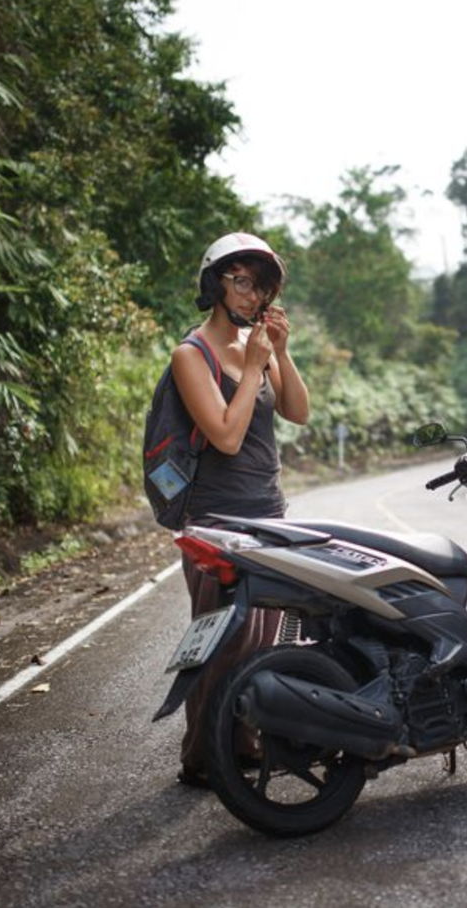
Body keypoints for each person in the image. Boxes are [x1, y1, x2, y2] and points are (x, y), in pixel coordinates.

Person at [171, 231, 309, 787]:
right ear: (216, 283)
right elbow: (225, 437)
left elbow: (298, 412)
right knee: (221, 636)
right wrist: (253, 367)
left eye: (262, 286)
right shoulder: (192, 354)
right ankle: (203, 754)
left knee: (266, 634)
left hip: (267, 511)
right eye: (243, 282)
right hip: (216, 521)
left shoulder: (259, 349)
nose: (253, 297)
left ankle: (245, 740)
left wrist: (281, 353)